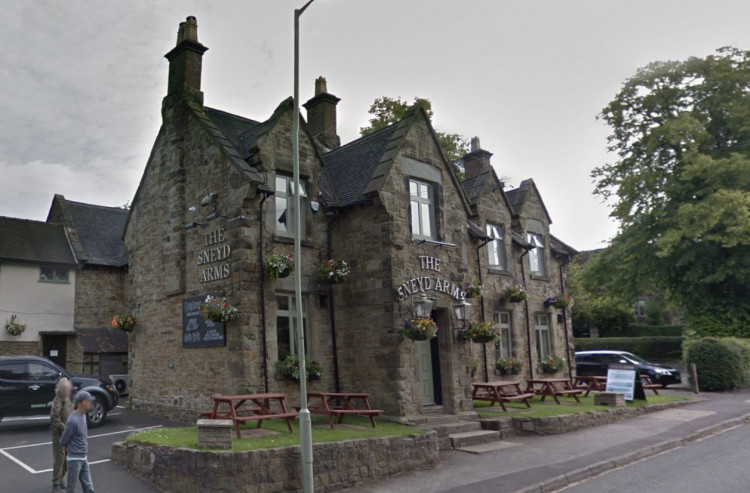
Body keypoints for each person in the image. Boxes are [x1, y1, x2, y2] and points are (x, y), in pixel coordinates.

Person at [59, 391, 95, 493]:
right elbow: (62, 441)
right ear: (84, 402)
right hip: (74, 460)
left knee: (89, 488)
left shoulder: (83, 416)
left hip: (83, 457)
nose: (91, 403)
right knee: (71, 489)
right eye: (89, 401)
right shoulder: (73, 420)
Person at [50, 378, 73, 492]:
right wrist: (63, 427)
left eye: (68, 388)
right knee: (60, 459)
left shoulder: (68, 400)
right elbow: (54, 419)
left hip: (68, 434)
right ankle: (56, 483)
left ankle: (61, 478)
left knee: (67, 459)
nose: (68, 391)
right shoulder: (57, 401)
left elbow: (72, 414)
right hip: (59, 435)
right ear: (61, 389)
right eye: (65, 389)